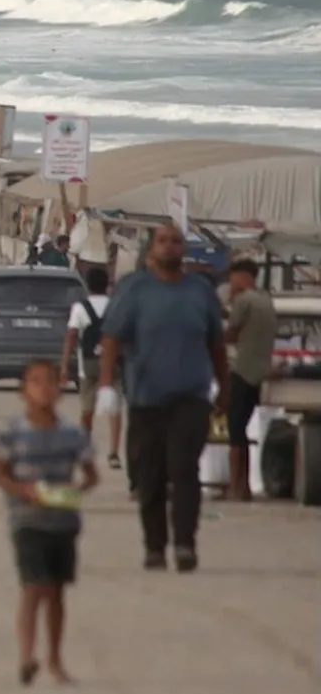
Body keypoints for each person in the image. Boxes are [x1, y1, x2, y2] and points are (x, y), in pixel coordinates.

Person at [97, 223, 225, 572]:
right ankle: (155, 546)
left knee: (185, 470)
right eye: (164, 242)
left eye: (177, 242)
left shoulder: (200, 292)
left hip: (191, 397)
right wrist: (107, 386)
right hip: (146, 399)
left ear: (184, 249)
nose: (170, 247)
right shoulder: (134, 289)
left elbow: (216, 344)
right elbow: (111, 338)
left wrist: (223, 388)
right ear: (151, 250)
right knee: (150, 477)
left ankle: (185, 543)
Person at [0, 359, 99, 686]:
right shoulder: (11, 432)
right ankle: (27, 657)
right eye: (36, 381)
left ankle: (55, 659)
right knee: (32, 587)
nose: (44, 388)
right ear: (23, 391)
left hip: (63, 521)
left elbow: (90, 475)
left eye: (50, 381)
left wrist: (74, 490)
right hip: (27, 520)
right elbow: (1, 475)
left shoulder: (73, 434)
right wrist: (21, 490)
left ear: (60, 390)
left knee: (56, 592)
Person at [222, 258, 276, 503]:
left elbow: (230, 334)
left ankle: (236, 486)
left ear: (242, 276)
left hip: (242, 371)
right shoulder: (265, 300)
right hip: (261, 371)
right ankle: (244, 486)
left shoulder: (243, 301)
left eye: (232, 277)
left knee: (235, 431)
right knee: (243, 429)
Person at [58, 267, 117, 467]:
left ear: (88, 286)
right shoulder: (116, 306)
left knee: (87, 409)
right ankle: (114, 452)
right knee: (115, 409)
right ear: (107, 285)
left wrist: (65, 366)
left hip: (89, 365)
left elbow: (71, 338)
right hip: (113, 363)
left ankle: (84, 448)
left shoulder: (80, 308)